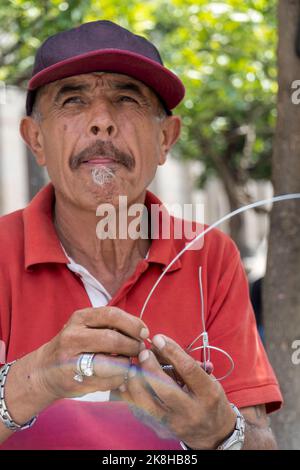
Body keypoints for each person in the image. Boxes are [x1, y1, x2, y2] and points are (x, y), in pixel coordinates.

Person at [0, 20, 282, 450]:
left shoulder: (211, 257)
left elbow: (262, 442)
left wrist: (220, 433)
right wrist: (39, 377)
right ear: (35, 139)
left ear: (166, 139)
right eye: (73, 100)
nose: (101, 122)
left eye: (126, 99)